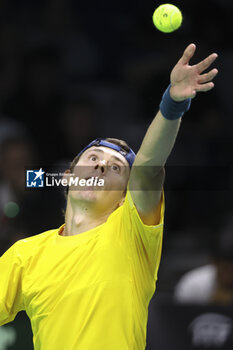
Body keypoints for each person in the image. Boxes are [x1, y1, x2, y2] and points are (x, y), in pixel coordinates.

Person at [0, 44, 218, 350]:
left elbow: (147, 166)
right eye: (93, 157)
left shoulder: (130, 234)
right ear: (68, 177)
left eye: (115, 167)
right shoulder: (26, 255)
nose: (101, 164)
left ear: (123, 198)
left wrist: (172, 105)